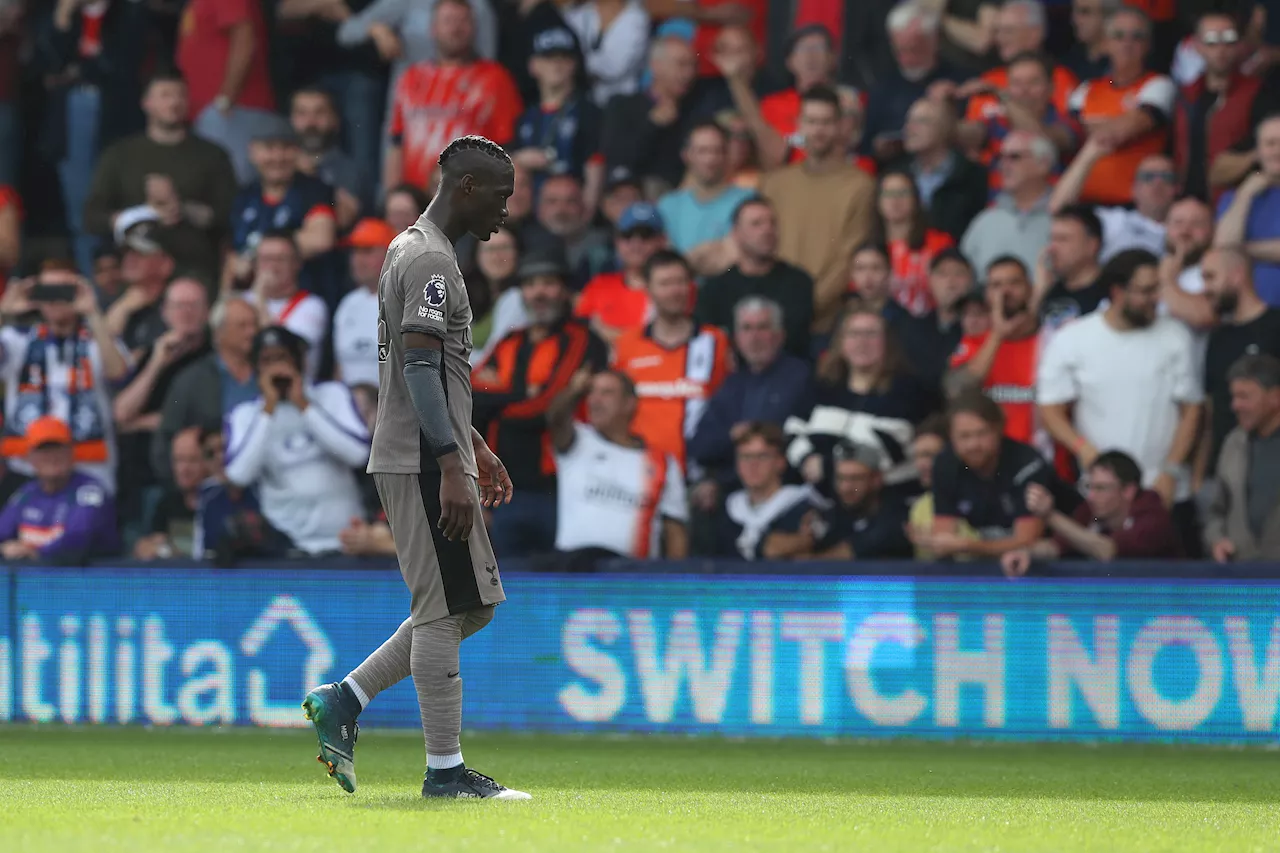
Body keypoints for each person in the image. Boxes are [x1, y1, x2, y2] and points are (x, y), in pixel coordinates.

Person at [301, 135, 528, 801]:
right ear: (465, 189)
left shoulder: (417, 249)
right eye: (500, 195)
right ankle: (445, 771)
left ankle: (345, 697)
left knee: (471, 606)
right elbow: (421, 367)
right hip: (423, 459)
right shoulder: (429, 258)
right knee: (442, 610)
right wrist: (451, 463)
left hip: (430, 451)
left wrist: (475, 445)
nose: (505, 211)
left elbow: (427, 372)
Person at [1036, 250, 1204, 551]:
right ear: (1117, 292)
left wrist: (1171, 471)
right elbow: (1050, 409)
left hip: (1164, 490)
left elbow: (1192, 409)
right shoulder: (1073, 339)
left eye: (1157, 288)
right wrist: (1082, 449)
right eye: (1145, 290)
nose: (1156, 298)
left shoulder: (1176, 335)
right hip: (1099, 499)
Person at [472, 249, 608, 556]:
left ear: (563, 290)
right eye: (531, 284)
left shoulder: (582, 339)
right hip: (505, 491)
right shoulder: (510, 341)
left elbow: (547, 407)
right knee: (509, 587)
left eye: (548, 283)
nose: (539, 293)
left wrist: (499, 401)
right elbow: (470, 395)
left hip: (562, 487)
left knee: (562, 585)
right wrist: (523, 395)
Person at [224, 326, 371, 555]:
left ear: (298, 360)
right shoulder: (245, 415)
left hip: (345, 540)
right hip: (286, 547)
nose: (275, 367)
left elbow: (359, 454)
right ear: (256, 367)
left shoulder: (332, 395)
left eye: (282, 357)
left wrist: (303, 404)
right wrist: (268, 408)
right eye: (266, 360)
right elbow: (238, 475)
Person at [83, 72, 237, 283]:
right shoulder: (120, 155)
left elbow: (229, 214)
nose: (174, 102)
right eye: (165, 95)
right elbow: (92, 216)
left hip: (195, 272)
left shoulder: (212, 155)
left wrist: (182, 209)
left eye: (180, 95)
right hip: (135, 274)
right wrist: (141, 214)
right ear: (146, 103)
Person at [0, 267, 130, 494]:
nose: (56, 299)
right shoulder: (16, 339)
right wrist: (3, 313)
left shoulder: (96, 340)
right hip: (26, 466)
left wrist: (92, 313)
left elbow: (118, 374)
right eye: (48, 291)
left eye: (64, 290)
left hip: (89, 467)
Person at [760, 85, 875, 334]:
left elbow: (849, 259)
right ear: (799, 125)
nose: (818, 130)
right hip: (771, 320)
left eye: (826, 122)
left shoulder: (860, 186)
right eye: (811, 121)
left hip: (827, 324)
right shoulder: (774, 184)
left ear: (841, 126)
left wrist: (802, 308)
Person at [548, 368, 689, 565]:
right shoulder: (577, 441)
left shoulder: (663, 462)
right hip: (573, 569)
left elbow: (674, 530)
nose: (594, 400)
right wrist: (574, 390)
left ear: (629, 404)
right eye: (591, 392)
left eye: (606, 393)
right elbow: (555, 418)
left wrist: (676, 583)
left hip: (631, 576)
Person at [383, 0, 522, 194]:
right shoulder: (410, 78)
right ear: (433, 28)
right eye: (448, 21)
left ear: (474, 28)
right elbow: (396, 145)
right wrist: (392, 196)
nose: (456, 28)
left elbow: (507, 148)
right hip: (416, 200)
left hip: (470, 198)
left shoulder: (495, 79)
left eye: (463, 21)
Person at [612, 249, 733, 473]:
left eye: (680, 282)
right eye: (665, 283)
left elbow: (727, 407)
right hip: (638, 473)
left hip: (696, 474)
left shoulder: (716, 342)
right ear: (648, 289)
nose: (675, 291)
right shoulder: (626, 346)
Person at [912, 391, 1071, 560]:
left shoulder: (1027, 463)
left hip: (1063, 564)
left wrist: (967, 546)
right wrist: (934, 542)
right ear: (951, 437)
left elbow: (1027, 542)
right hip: (992, 565)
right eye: (964, 436)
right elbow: (945, 537)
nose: (973, 444)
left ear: (999, 429)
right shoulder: (945, 464)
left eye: (982, 433)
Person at [1001, 450, 1182, 576]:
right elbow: (1056, 546)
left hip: (1164, 607)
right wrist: (1026, 554)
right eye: (1090, 487)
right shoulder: (1090, 510)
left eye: (1101, 488)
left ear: (1128, 491)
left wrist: (1050, 516)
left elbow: (1107, 550)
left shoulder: (1153, 516)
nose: (1093, 496)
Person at [1065, 7, 1175, 206]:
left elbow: (1120, 131)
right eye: (1119, 36)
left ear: (1148, 44)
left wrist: (1086, 125)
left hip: (1133, 206)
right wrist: (1112, 123)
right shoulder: (1088, 89)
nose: (1127, 43)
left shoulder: (1158, 84)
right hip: (1084, 204)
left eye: (1137, 37)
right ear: (1106, 43)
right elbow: (1066, 136)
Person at [151, 298, 259, 487]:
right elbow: (167, 437)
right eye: (242, 326)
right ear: (219, 333)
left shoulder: (267, 374)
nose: (252, 332)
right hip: (211, 486)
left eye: (254, 324)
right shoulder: (190, 380)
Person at [695, 197, 814, 360]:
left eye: (772, 223)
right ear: (736, 233)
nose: (767, 230)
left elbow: (795, 341)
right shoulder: (714, 288)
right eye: (756, 224)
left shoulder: (798, 283)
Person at [0, 416, 118, 563]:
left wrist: (34, 553)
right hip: (35, 579)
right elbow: (2, 531)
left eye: (58, 449)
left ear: (71, 452)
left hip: (84, 580)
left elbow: (78, 538)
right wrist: (4, 548)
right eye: (44, 450)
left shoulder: (89, 490)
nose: (52, 457)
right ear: (30, 458)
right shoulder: (27, 493)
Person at [1204, 353, 1280, 562]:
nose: (1235, 406)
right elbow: (1216, 511)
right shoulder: (1233, 443)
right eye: (1234, 397)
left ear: (1275, 397)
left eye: (1244, 397)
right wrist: (1217, 539)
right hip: (1242, 579)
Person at [656, 122, 754, 275]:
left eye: (717, 151)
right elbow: (663, 260)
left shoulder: (747, 200)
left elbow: (742, 257)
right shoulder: (667, 205)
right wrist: (718, 251)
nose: (710, 159)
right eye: (702, 151)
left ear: (727, 154)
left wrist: (686, 262)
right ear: (686, 155)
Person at [959, 131, 1056, 279]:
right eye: (1000, 157)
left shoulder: (1063, 217)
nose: (1003, 165)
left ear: (1043, 164)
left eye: (1014, 157)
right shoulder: (985, 220)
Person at [715, 421, 814, 560]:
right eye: (746, 457)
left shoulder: (802, 507)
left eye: (762, 456)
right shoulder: (726, 508)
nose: (753, 465)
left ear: (780, 462)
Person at [574, 202, 668, 343]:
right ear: (617, 242)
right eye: (628, 235)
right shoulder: (599, 285)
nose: (636, 243)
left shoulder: (675, 286)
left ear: (662, 241)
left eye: (646, 235)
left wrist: (613, 335)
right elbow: (577, 334)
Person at [1214, 115, 1280, 307]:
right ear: (1258, 152)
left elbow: (1230, 249)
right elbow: (1222, 248)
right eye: (1270, 143)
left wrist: (1241, 250)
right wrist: (1245, 196)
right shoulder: (1237, 196)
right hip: (1245, 315)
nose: (1277, 151)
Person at [871, 169, 954, 317]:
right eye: (888, 194)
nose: (895, 200)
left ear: (916, 199)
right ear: (878, 201)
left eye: (903, 193)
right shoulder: (870, 248)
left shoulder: (940, 243)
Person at [333, 219, 398, 386]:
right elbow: (340, 368)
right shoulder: (347, 304)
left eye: (367, 251)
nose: (358, 260)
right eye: (355, 252)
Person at [134, 427, 206, 560]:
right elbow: (149, 546)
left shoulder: (222, 502)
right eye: (178, 460)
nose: (184, 469)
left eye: (192, 460)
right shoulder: (166, 503)